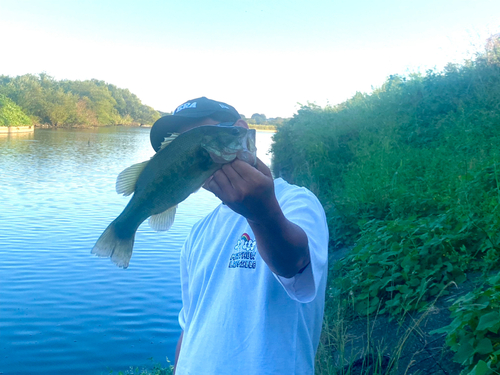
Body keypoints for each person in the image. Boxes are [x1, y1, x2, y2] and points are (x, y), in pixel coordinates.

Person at [150, 97, 329, 375]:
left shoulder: (296, 202)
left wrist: (262, 214)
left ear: (241, 130)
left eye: (201, 139)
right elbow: (190, 324)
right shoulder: (198, 233)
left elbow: (295, 265)